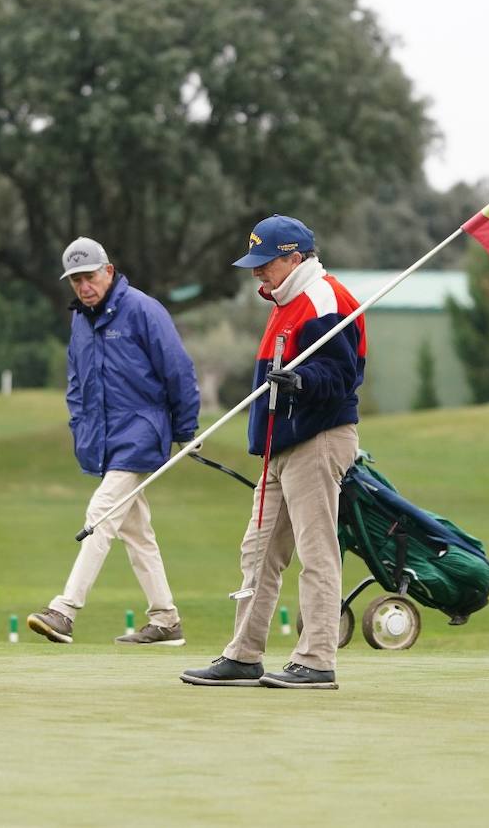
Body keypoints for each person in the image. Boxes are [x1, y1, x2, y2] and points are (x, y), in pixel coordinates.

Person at [181, 215, 365, 689]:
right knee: (258, 554)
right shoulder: (285, 300)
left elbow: (343, 374)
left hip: (318, 438)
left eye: (266, 262)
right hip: (282, 444)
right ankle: (244, 655)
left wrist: (302, 381)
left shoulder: (324, 298)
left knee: (316, 551)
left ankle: (317, 660)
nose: (258, 272)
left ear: (295, 258)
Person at [27, 237, 200, 646]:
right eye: (76, 281)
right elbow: (77, 382)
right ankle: (166, 619)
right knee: (136, 531)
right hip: (106, 437)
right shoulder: (80, 320)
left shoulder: (142, 309)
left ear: (108, 271)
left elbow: (178, 370)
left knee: (101, 514)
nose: (84, 286)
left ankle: (65, 610)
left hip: (142, 431)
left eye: (89, 277)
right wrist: (80, 427)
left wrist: (185, 430)